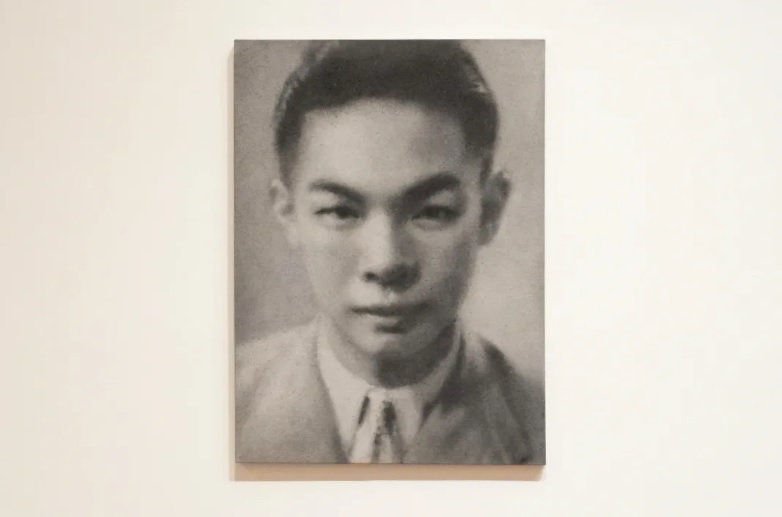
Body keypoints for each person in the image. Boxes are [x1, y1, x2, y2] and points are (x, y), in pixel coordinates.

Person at [235, 40, 544, 464]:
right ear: (288, 214)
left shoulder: (554, 423)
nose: (386, 262)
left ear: (489, 210)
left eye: (432, 212)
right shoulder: (210, 406)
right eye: (341, 212)